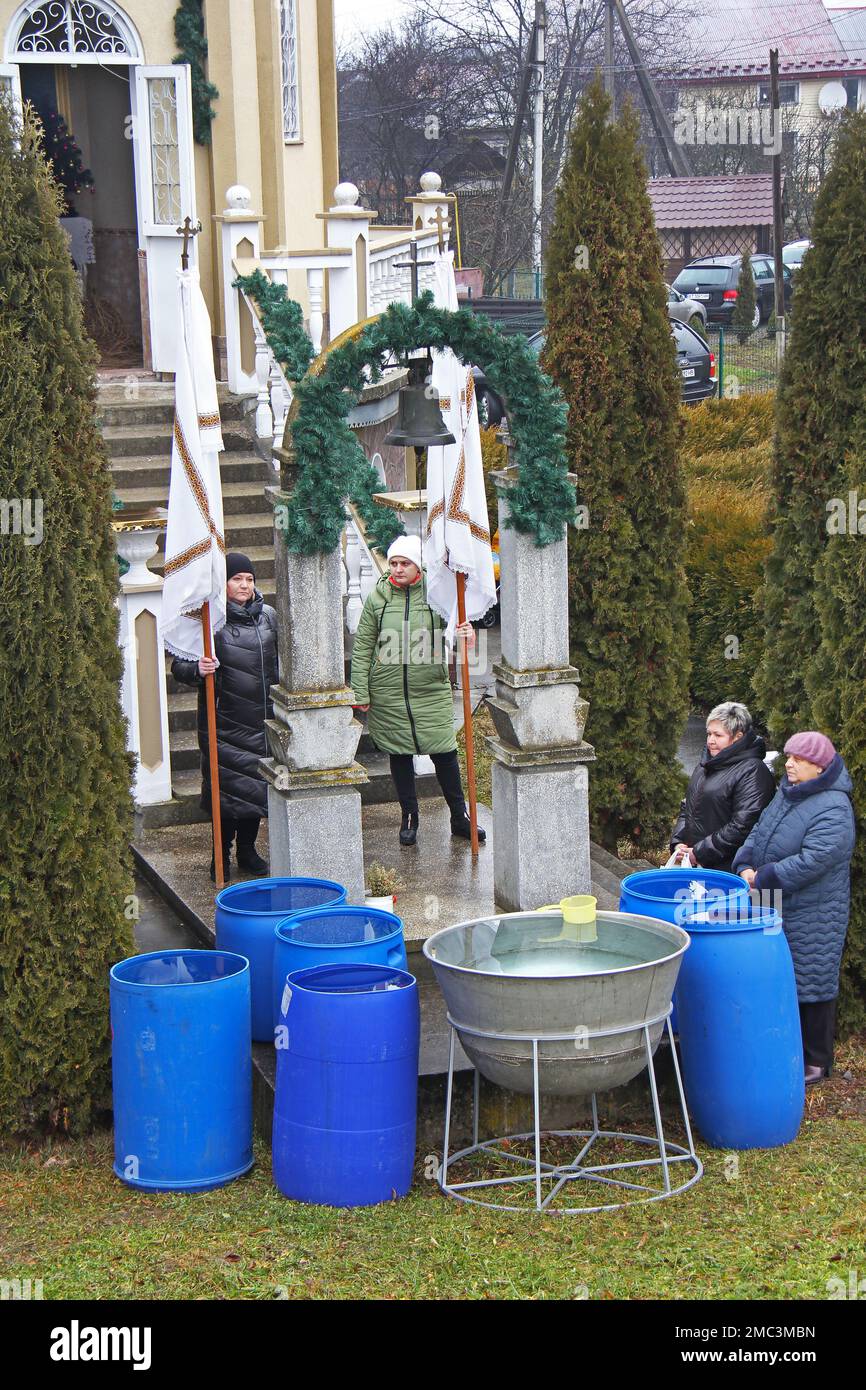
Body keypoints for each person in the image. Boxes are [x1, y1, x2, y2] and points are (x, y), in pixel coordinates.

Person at [732, 732, 855, 1086]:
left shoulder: (834, 806)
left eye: (798, 759)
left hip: (812, 911)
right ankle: (782, 1047)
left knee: (811, 979)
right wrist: (744, 864)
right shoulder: (788, 793)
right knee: (774, 973)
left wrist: (763, 876)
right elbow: (759, 831)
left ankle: (816, 1061)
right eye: (788, 757)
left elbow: (814, 860)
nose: (789, 764)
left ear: (818, 766)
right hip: (771, 900)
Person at [351, 535, 485, 848]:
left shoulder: (436, 593)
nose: (397, 569)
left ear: (417, 567)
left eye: (404, 563)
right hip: (389, 693)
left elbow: (455, 627)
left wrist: (467, 633)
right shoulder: (378, 598)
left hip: (430, 689)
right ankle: (409, 815)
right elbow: (363, 647)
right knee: (399, 754)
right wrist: (361, 692)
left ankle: (459, 816)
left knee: (445, 752)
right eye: (393, 563)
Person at [171, 553, 278, 882]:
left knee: (255, 789)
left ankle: (248, 850)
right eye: (236, 579)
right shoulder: (209, 620)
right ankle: (222, 853)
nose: (244, 585)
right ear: (224, 584)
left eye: (249, 578)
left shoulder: (269, 617)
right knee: (226, 792)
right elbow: (180, 666)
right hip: (225, 722)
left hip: (261, 719)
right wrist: (196, 668)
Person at [671, 701, 776, 872]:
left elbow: (742, 825)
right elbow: (687, 806)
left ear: (738, 737)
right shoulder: (705, 765)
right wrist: (678, 843)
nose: (711, 741)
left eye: (718, 735)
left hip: (728, 871)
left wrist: (699, 852)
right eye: (709, 734)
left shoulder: (753, 772)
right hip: (695, 864)